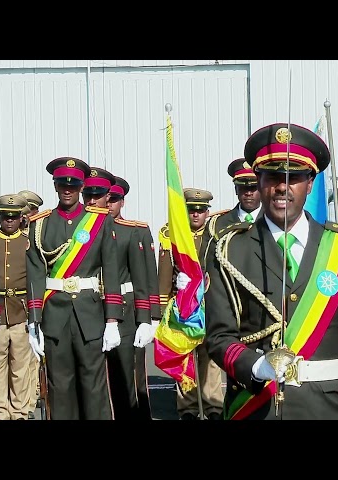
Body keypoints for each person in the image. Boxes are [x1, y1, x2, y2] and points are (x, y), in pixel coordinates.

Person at [205, 122, 338, 420]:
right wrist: (255, 367)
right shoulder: (228, 249)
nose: (282, 186)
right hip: (256, 405)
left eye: (293, 177)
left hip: (326, 408)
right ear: (258, 180)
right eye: (272, 175)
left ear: (310, 183)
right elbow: (219, 337)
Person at [25, 157, 123, 420]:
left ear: (81, 187)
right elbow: (35, 274)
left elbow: (110, 269)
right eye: (61, 184)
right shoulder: (39, 225)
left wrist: (112, 318)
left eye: (73, 185)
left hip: (89, 316)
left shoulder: (99, 222)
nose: (67, 190)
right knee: (60, 386)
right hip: (54, 317)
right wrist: (34, 321)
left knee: (94, 387)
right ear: (55, 186)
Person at [158, 188, 225, 420]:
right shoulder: (172, 233)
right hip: (182, 304)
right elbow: (165, 271)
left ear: (207, 212)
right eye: (191, 210)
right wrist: (162, 304)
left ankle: (213, 405)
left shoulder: (216, 234)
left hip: (210, 304)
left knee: (211, 358)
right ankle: (187, 407)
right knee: (183, 355)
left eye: (200, 210)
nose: (195, 215)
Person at [107, 176, 161, 420]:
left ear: (122, 201)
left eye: (114, 199)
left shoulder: (136, 230)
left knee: (133, 376)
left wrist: (151, 316)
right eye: (103, 198)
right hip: (94, 308)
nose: (108, 204)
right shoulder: (85, 231)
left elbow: (148, 276)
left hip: (128, 309)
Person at [0, 194, 34, 420]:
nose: (9, 221)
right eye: (5, 217)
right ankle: (1, 414)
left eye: (14, 217)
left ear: (20, 218)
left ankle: (20, 413)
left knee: (20, 370)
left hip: (20, 313)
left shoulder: (27, 242)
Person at [202, 157, 262, 268]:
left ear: (262, 189)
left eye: (253, 188)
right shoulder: (216, 225)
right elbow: (207, 266)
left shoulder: (275, 221)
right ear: (236, 190)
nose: (248, 193)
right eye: (243, 188)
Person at [17, 189, 43, 419]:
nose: (23, 218)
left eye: (26, 213)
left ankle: (34, 395)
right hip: (17, 303)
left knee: (36, 356)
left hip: (37, 300)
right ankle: (24, 402)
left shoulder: (38, 235)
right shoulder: (14, 237)